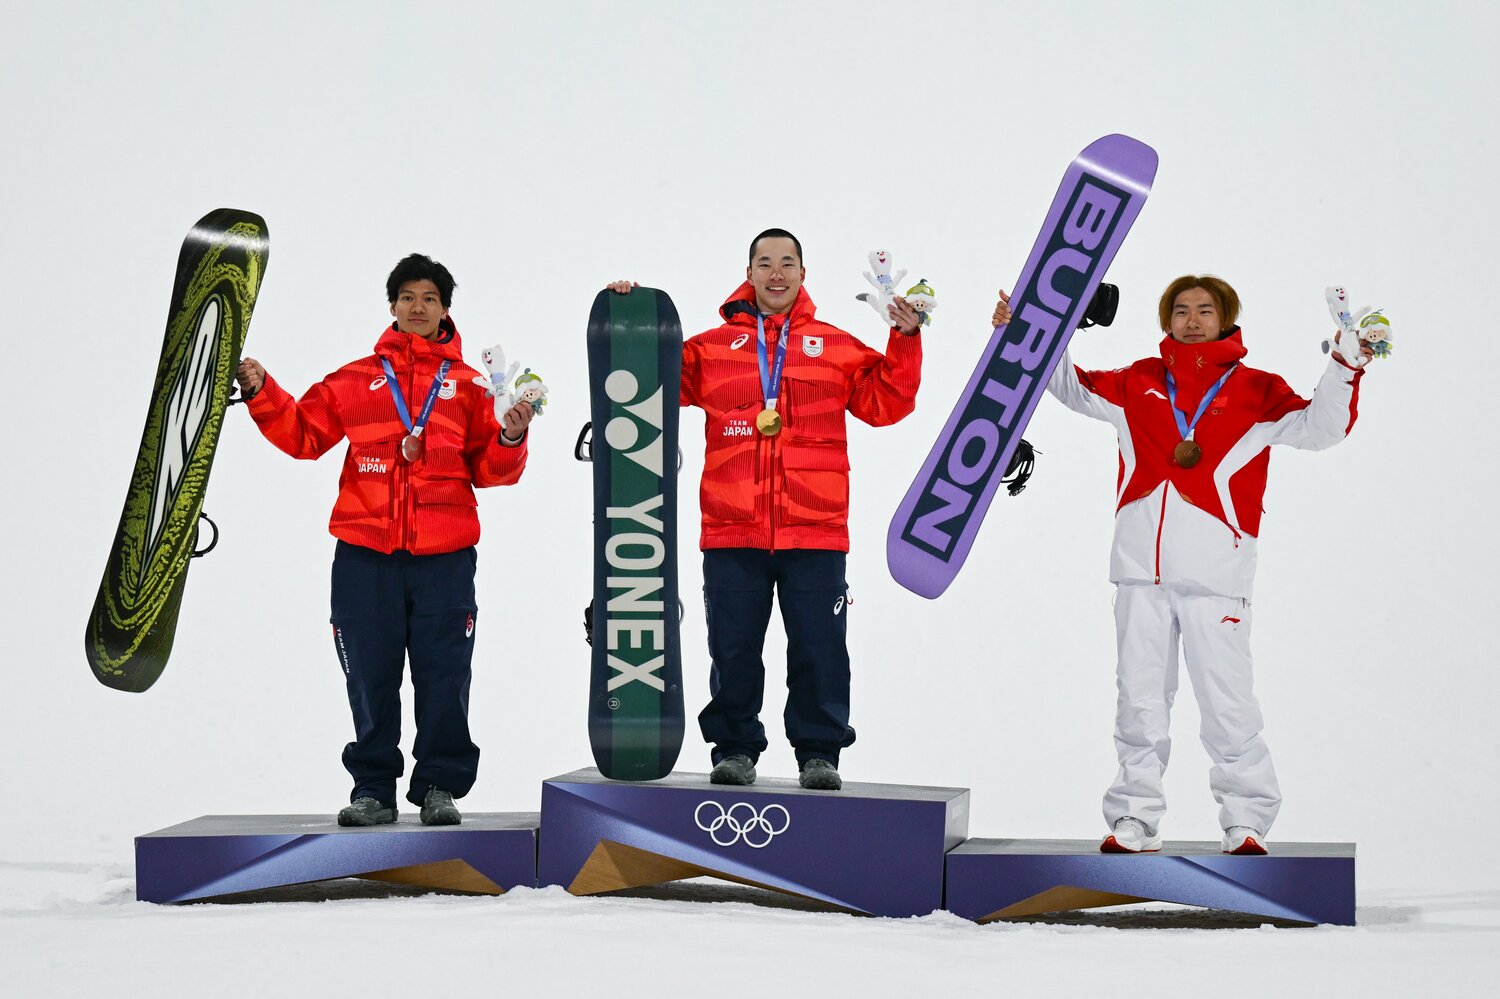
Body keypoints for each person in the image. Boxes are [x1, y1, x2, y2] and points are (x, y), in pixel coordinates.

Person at [993, 276, 1372, 854]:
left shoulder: (1257, 390)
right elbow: (1068, 386)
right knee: (1139, 705)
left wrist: (1345, 363)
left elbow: (1323, 429)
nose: (1192, 320)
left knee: (1228, 707)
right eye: (1180, 310)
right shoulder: (1139, 381)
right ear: (1166, 319)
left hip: (1217, 580)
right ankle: (1134, 819)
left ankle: (1245, 820)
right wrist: (1029, 331)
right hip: (1140, 575)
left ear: (1226, 319)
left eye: (1205, 310)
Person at [607, 229, 925, 790]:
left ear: (803, 273)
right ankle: (734, 749)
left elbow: (887, 403)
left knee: (820, 651)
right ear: (748, 273)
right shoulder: (708, 349)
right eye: (765, 263)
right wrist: (629, 317)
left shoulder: (835, 346)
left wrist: (903, 337)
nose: (776, 273)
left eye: (787, 263)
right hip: (732, 530)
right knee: (733, 652)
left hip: (816, 530)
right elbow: (650, 380)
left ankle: (819, 753)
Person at [235, 253, 534, 827]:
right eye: (407, 298)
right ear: (392, 306)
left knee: (444, 675)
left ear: (446, 309)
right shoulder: (355, 379)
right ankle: (372, 789)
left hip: (444, 559)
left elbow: (493, 472)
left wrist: (511, 434)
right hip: (364, 556)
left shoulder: (471, 387)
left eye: (430, 299)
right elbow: (303, 434)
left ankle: (440, 787)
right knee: (369, 674)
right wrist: (260, 390)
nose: (418, 308)